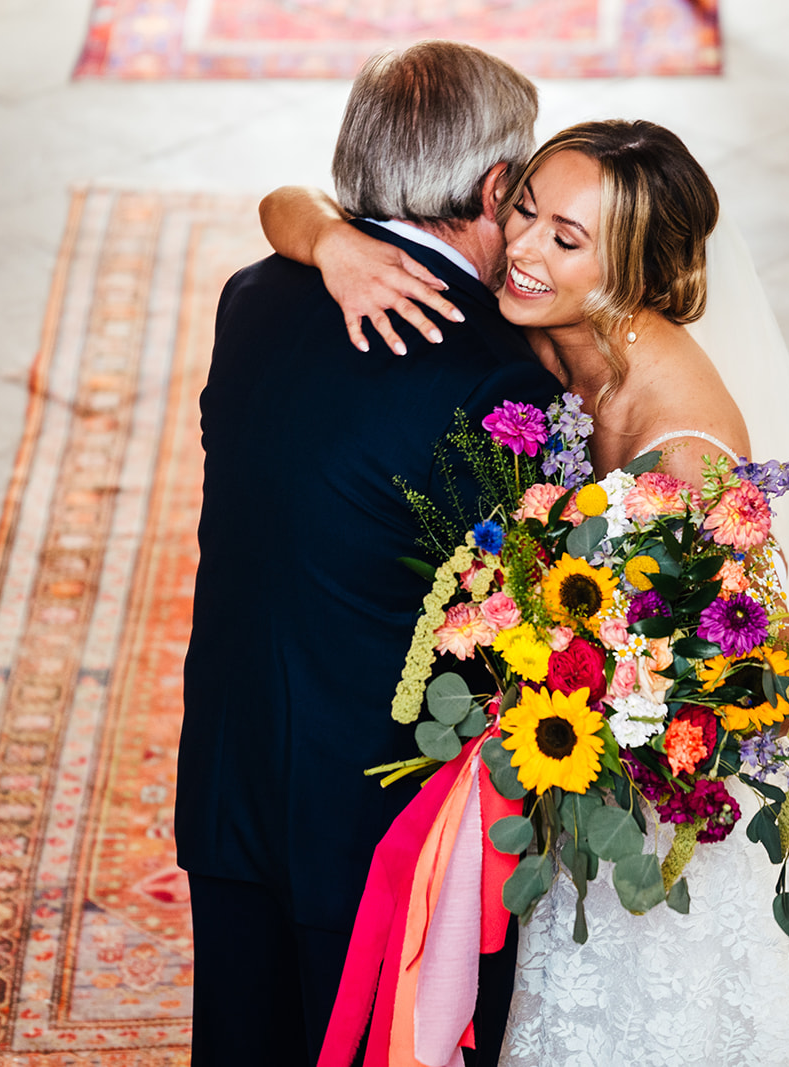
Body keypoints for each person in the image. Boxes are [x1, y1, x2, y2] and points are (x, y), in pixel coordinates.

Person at [262, 119, 789, 1062]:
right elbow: (282, 205)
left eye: (566, 237)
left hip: (675, 792)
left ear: (630, 271)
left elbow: (723, 669)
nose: (521, 249)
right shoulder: (557, 326)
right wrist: (334, 241)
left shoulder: (682, 441)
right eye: (525, 211)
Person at [175, 41, 562, 1067]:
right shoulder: (497, 379)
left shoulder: (252, 295)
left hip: (228, 757)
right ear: (493, 187)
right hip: (372, 818)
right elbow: (521, 625)